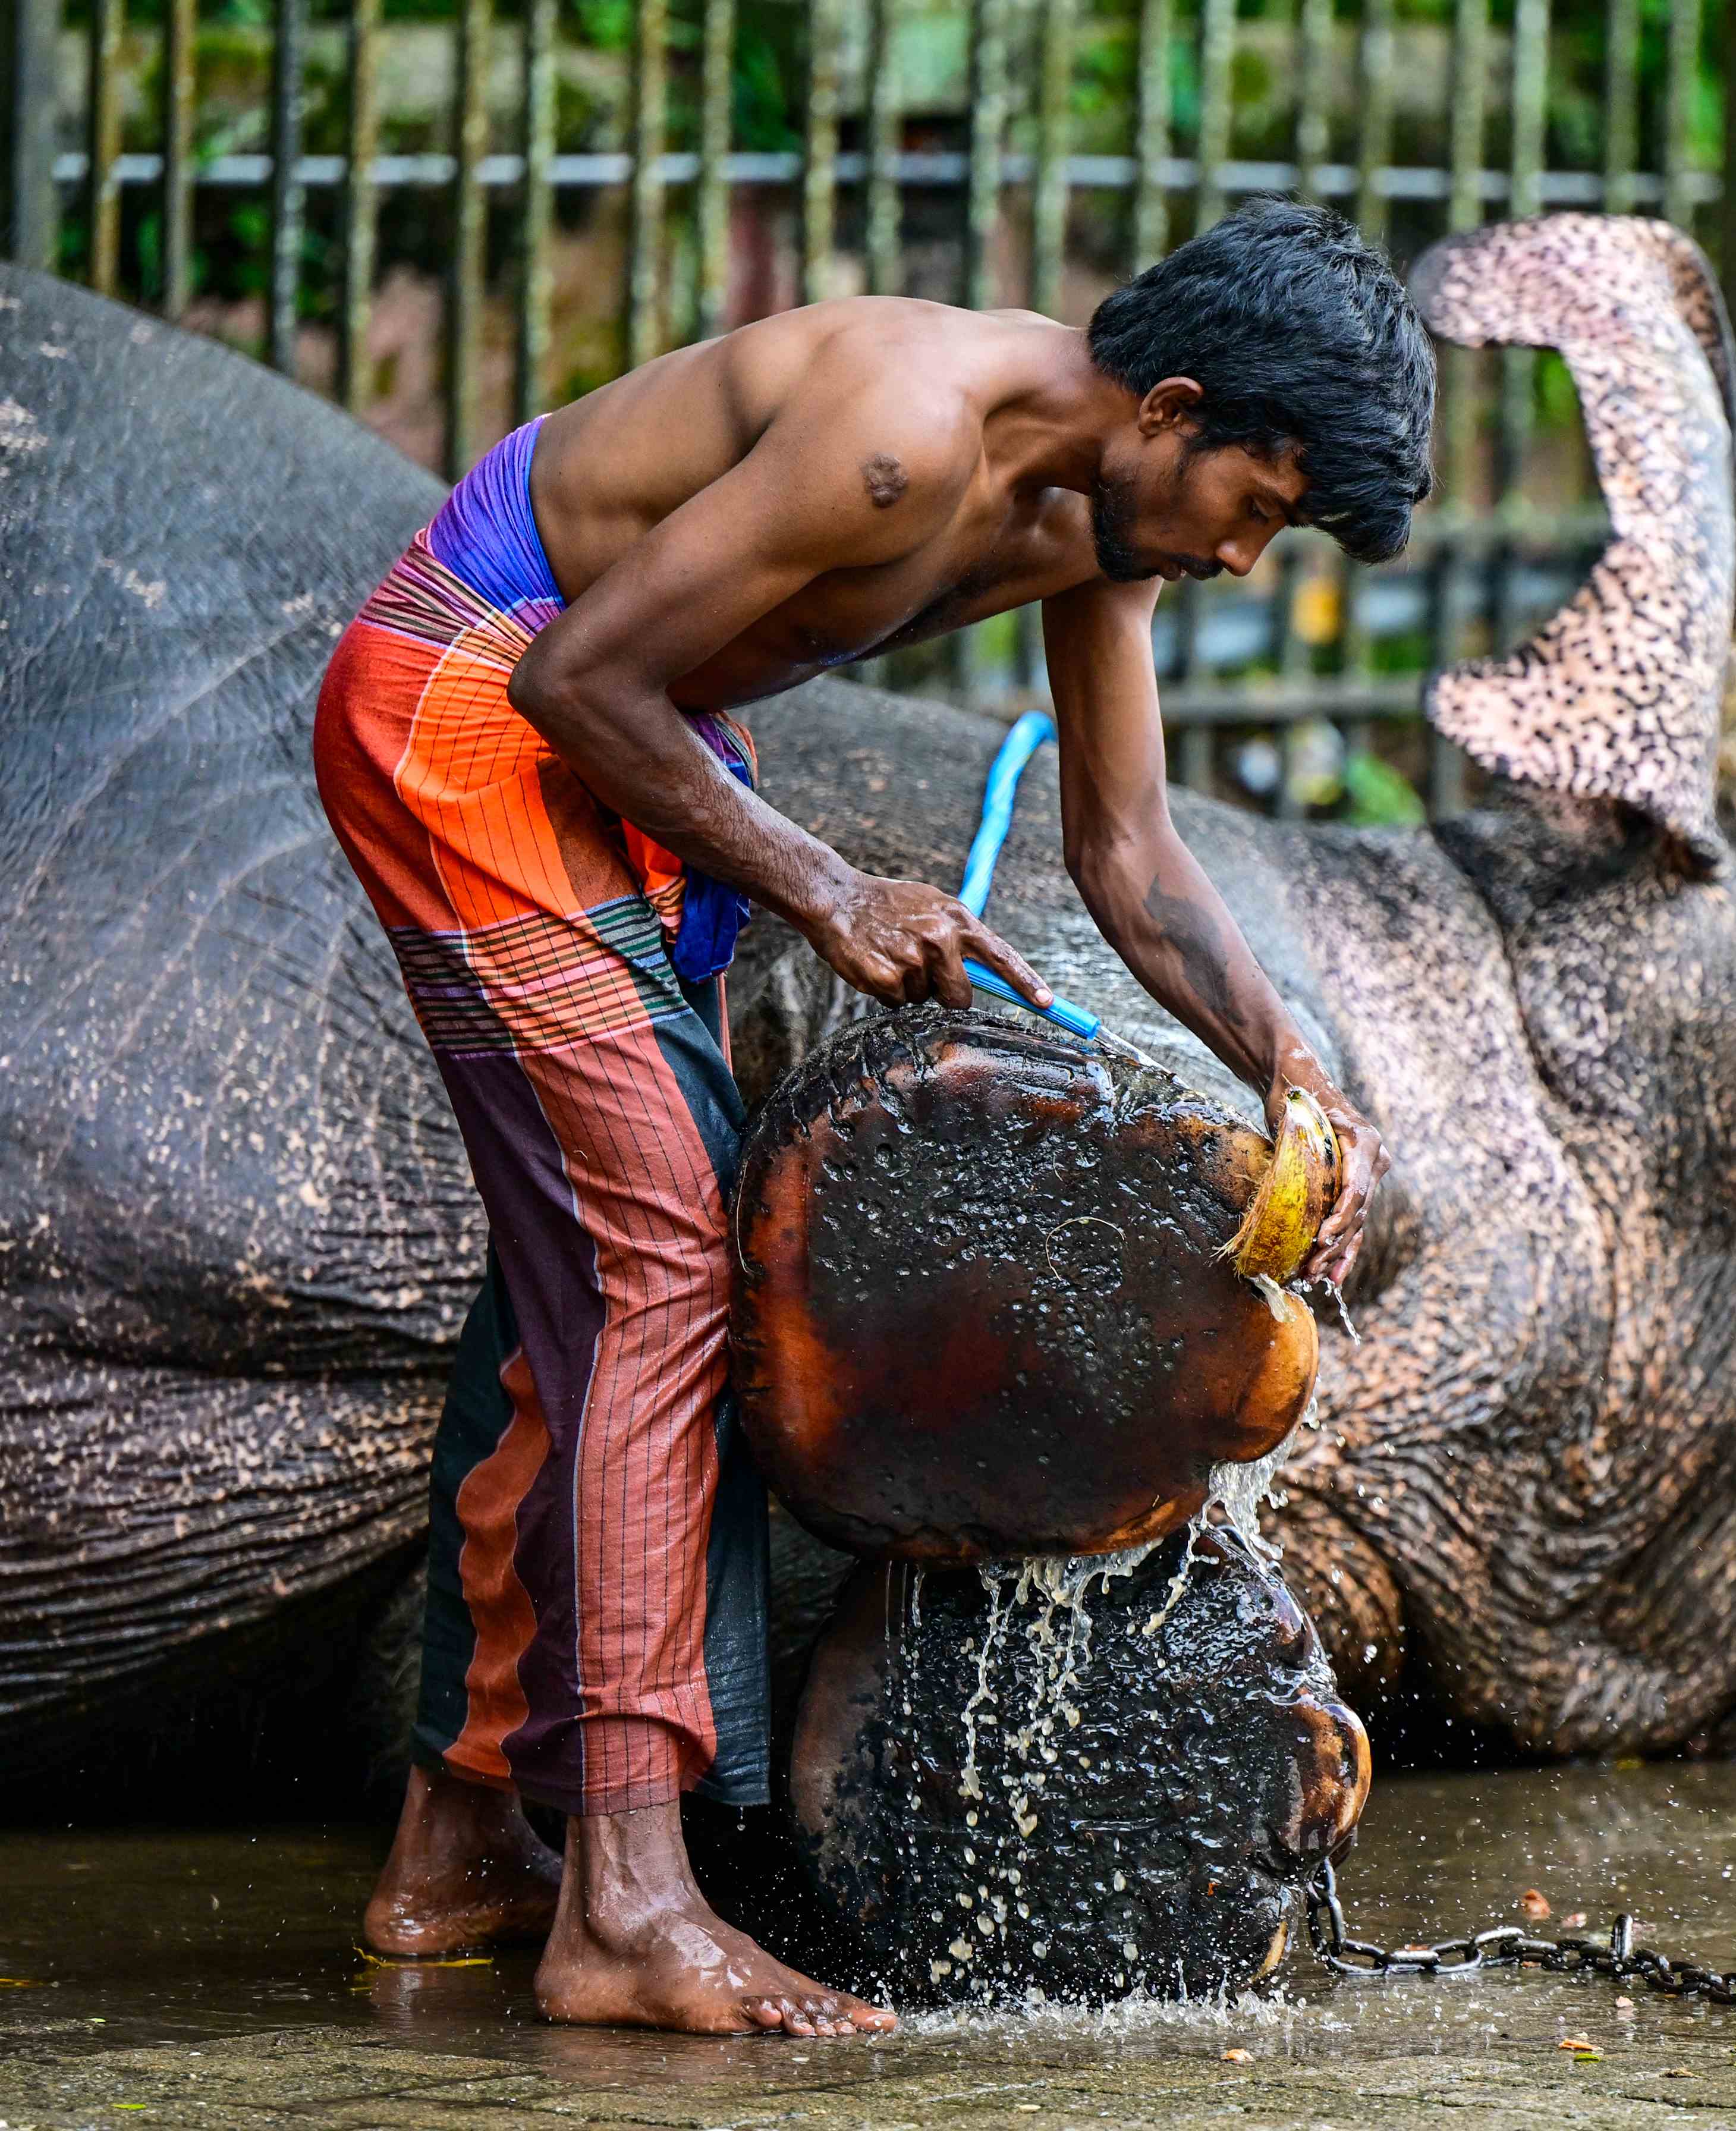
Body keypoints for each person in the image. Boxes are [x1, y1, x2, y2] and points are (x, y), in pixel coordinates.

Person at [312, 199, 1431, 2036]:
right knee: (666, 1268)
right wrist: (832, 889)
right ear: (1170, 406)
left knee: (580, 1284)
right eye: (1263, 501)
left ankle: (453, 1850)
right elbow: (571, 676)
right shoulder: (903, 433)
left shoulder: (1099, 525)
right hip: (473, 704)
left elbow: (1129, 855)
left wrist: (1283, 1065)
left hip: (624, 750)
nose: (1247, 554)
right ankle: (626, 1908)